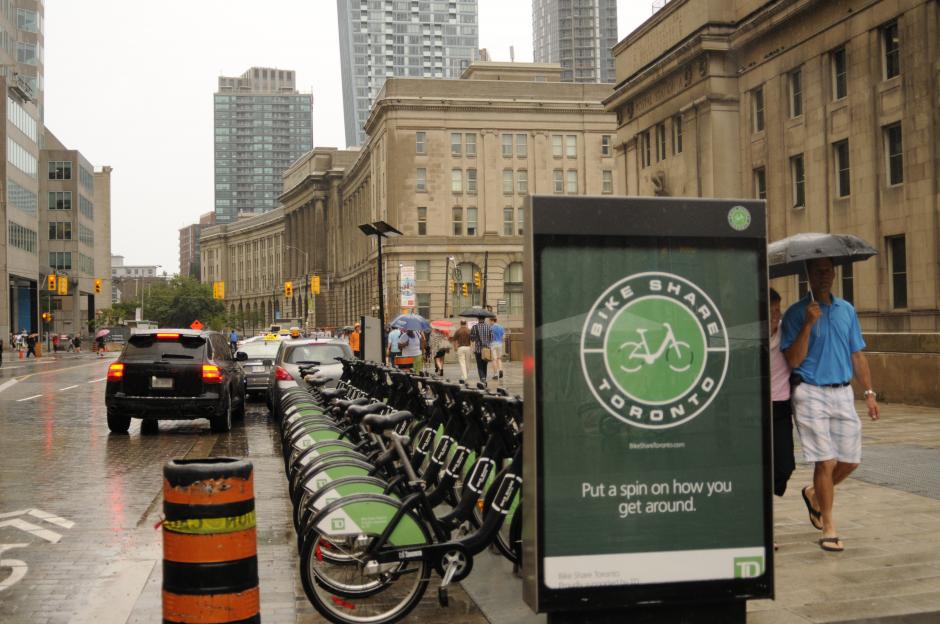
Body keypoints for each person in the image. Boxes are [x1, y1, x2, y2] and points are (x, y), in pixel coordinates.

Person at [781, 257, 880, 553]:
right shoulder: (796, 313)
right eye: (817, 271)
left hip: (842, 392)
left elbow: (857, 354)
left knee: (850, 460)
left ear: (834, 274)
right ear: (808, 276)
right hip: (810, 391)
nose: (823, 275)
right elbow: (793, 360)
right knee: (825, 461)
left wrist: (870, 392)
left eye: (827, 270)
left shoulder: (846, 310)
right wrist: (809, 324)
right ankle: (829, 525)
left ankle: (814, 493)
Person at [769, 288, 795, 550]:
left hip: (781, 407)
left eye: (778, 311)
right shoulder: (749, 337)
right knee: (759, 471)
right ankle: (765, 529)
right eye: (771, 312)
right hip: (754, 412)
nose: (776, 317)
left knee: (784, 466)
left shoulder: (787, 334)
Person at [469, 318, 492, 383]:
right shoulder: (489, 327)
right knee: (485, 364)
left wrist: (475, 338)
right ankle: (484, 377)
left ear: (478, 319)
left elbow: (472, 339)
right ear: (484, 319)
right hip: (487, 349)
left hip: (478, 349)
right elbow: (492, 337)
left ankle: (482, 377)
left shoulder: (474, 327)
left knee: (479, 365)